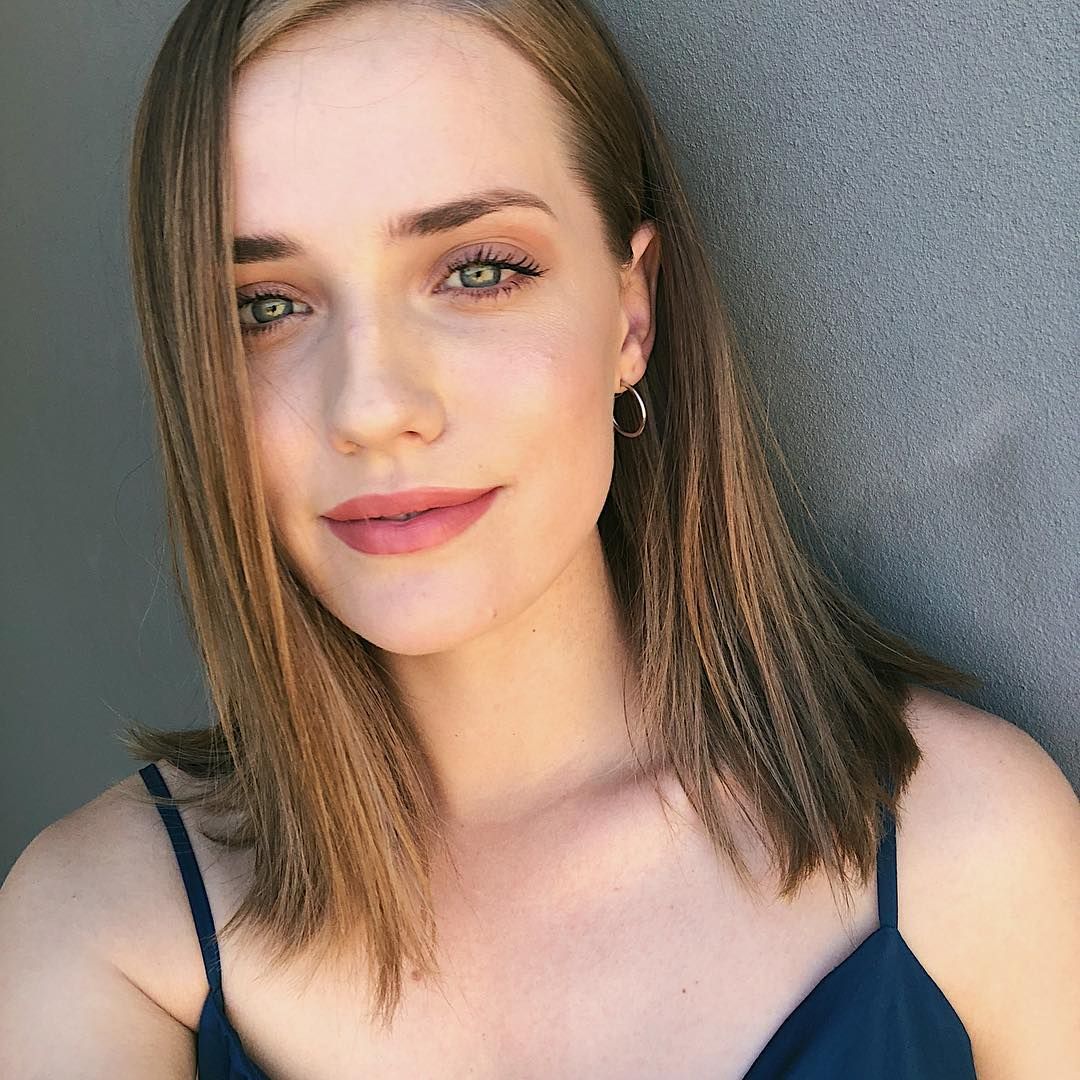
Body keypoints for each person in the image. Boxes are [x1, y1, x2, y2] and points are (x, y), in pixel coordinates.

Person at [2, 0, 1077, 1076]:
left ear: (630, 316)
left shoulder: (975, 849)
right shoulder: (99, 935)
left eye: (478, 271)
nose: (372, 406)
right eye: (266, 307)